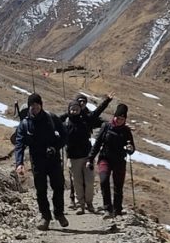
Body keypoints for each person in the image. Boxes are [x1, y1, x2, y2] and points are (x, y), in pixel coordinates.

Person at [14, 93, 67, 231]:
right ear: (29, 106)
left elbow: (64, 135)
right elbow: (19, 144)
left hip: (53, 159)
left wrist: (55, 147)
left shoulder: (52, 118)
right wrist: (19, 163)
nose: (34, 108)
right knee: (41, 190)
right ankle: (45, 217)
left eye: (37, 105)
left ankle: (59, 213)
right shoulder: (25, 124)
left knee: (58, 186)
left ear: (41, 105)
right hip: (37, 161)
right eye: (32, 106)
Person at [62, 92, 112, 214]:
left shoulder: (86, 120)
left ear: (80, 110)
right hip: (73, 157)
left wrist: (106, 101)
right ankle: (80, 205)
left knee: (89, 182)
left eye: (76, 109)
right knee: (77, 183)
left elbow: (97, 113)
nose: (74, 111)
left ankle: (89, 203)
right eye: (72, 109)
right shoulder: (65, 123)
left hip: (87, 156)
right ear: (69, 110)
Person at [89, 102, 136, 218]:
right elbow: (98, 143)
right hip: (105, 158)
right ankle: (107, 209)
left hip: (119, 160)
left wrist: (130, 149)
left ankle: (117, 210)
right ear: (114, 116)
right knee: (104, 181)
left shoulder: (126, 131)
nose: (120, 120)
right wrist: (90, 158)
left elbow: (131, 148)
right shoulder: (106, 126)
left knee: (118, 186)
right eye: (118, 118)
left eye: (122, 118)